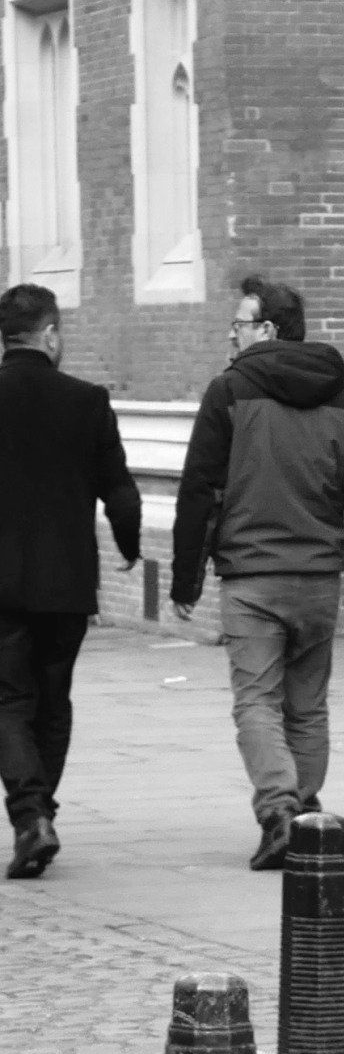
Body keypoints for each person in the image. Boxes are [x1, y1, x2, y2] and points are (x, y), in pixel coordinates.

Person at [168, 274, 344, 869]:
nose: (232, 335)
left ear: (266, 330)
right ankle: (306, 807)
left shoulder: (229, 393)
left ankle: (278, 811)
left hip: (251, 579)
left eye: (239, 324)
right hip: (319, 580)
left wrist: (185, 578)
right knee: (308, 706)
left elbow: (200, 490)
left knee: (257, 703)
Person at [0, 284, 142, 880]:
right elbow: (121, 490)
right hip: (66, 580)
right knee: (53, 701)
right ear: (51, 335)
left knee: (9, 700)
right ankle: (40, 814)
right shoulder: (86, 400)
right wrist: (131, 547)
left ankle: (31, 815)